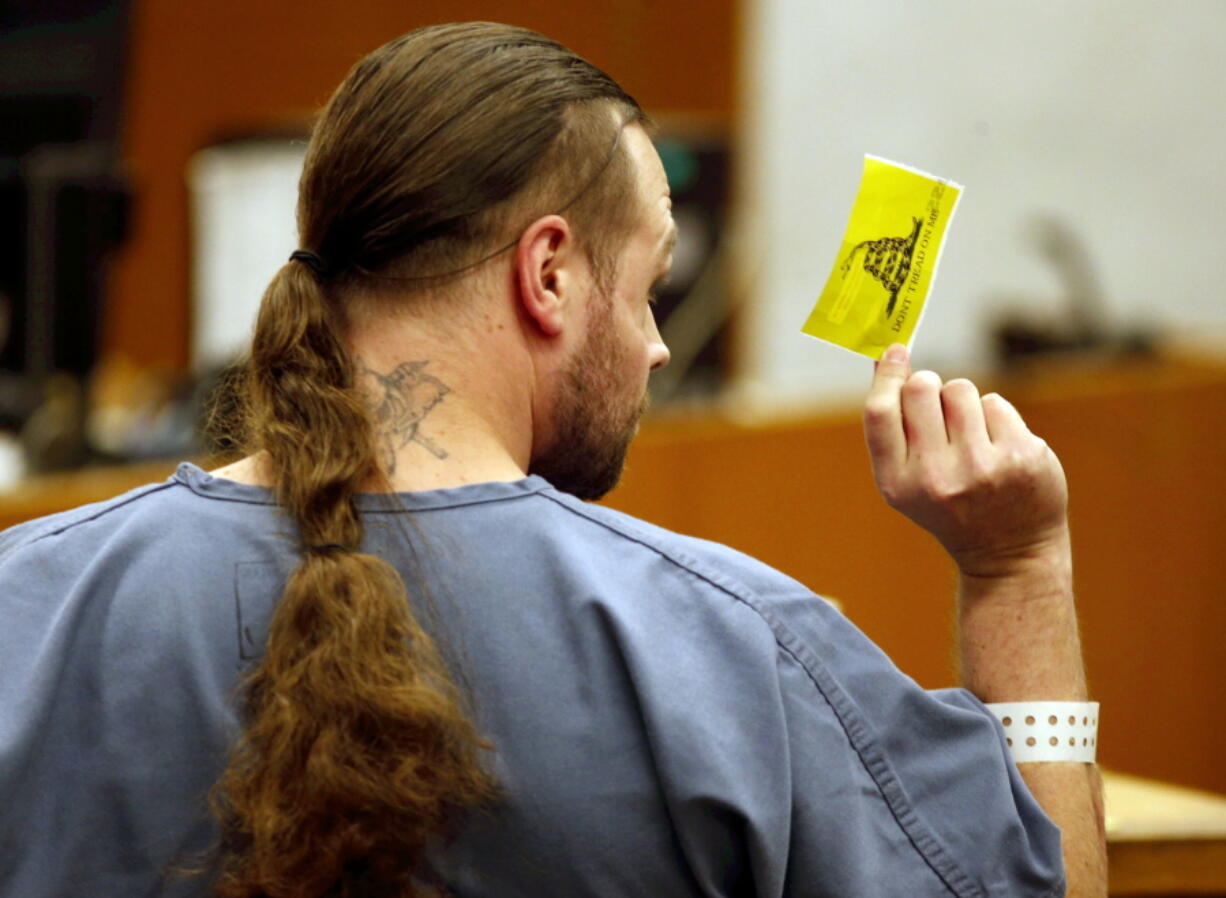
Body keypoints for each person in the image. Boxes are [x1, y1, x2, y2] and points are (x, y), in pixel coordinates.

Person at [0, 21, 1105, 898]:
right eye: (651, 286)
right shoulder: (732, 657)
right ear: (550, 274)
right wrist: (1017, 571)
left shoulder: (25, 607)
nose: (662, 344)